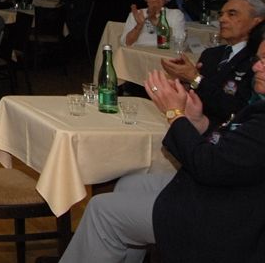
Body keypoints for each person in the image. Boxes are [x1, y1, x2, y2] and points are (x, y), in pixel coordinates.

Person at [57, 48, 265, 263]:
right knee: (130, 184)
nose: (256, 66)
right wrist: (200, 123)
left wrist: (175, 115)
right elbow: (239, 152)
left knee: (101, 210)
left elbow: (209, 167)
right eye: (259, 59)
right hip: (232, 191)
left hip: (231, 215)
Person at [161, 0, 263, 127]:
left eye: (232, 14)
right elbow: (202, 96)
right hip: (193, 125)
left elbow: (238, 109)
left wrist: (195, 79)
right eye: (221, 14)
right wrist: (184, 84)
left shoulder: (258, 61)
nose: (222, 19)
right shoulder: (211, 54)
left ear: (257, 22)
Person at [122, 0, 186, 48]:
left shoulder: (175, 14)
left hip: (164, 54)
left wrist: (157, 23)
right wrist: (139, 26)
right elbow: (126, 43)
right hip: (139, 54)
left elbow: (180, 39)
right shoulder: (136, 15)